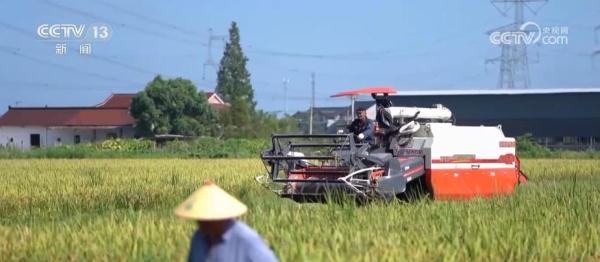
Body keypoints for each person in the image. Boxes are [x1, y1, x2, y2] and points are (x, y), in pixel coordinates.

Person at [174, 181, 278, 262]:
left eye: (205, 218)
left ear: (219, 216)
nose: (200, 222)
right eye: (199, 217)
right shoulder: (198, 237)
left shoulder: (246, 240)